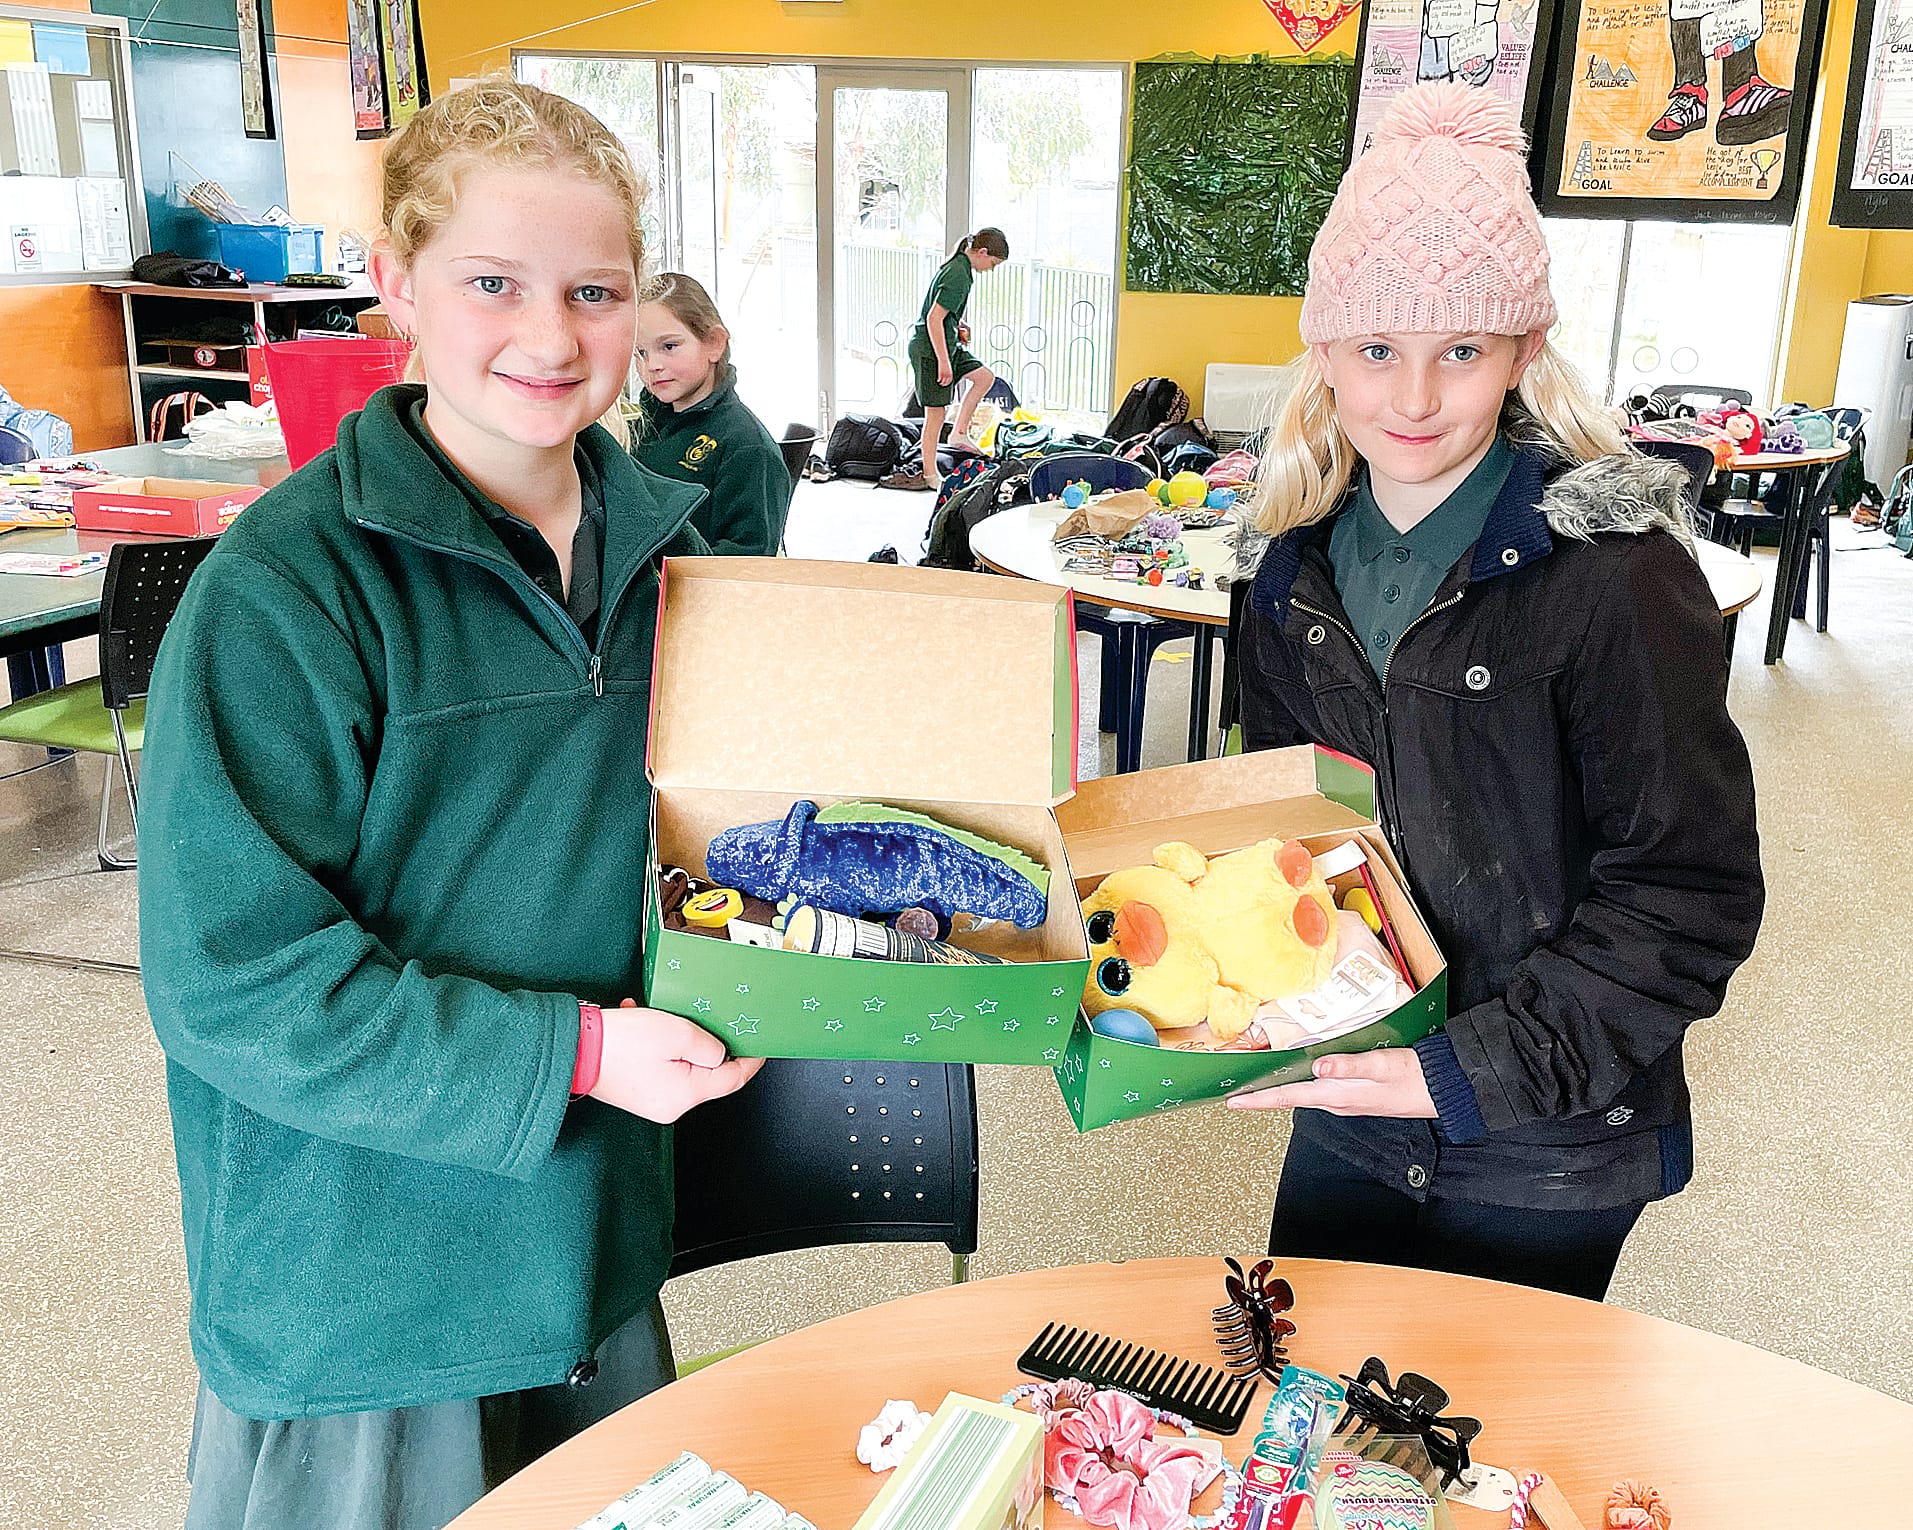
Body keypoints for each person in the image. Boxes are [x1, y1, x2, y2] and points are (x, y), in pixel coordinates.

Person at [137, 79, 764, 1530]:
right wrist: (584, 1050)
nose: (548, 338)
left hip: (585, 1248)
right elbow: (235, 986)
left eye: (593, 292)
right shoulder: (287, 594)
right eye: (493, 283)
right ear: (396, 284)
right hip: (364, 1298)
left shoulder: (673, 563)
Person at [1228, 82, 1764, 1302]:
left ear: (1522, 350)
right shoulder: (1288, 570)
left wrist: (1469, 1074)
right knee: (1309, 1418)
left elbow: (1686, 892)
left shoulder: (1616, 580)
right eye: (1375, 350)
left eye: (1458, 351)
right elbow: (1292, 837)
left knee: (1484, 1453)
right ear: (1324, 351)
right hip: (1352, 1102)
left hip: (1550, 1137)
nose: (1412, 399)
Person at [631, 271, 791, 556]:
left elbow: (746, 562)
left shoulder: (747, 447)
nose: (651, 364)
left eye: (669, 346)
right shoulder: (643, 421)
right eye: (640, 352)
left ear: (715, 343)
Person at [881, 227, 1008, 491]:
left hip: (946, 344)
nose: (992, 269)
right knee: (935, 414)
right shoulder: (957, 274)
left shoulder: (962, 268)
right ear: (982, 252)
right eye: (993, 263)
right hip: (931, 350)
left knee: (984, 377)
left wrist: (959, 326)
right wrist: (944, 362)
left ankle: (958, 433)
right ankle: (930, 474)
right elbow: (933, 319)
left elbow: (942, 314)